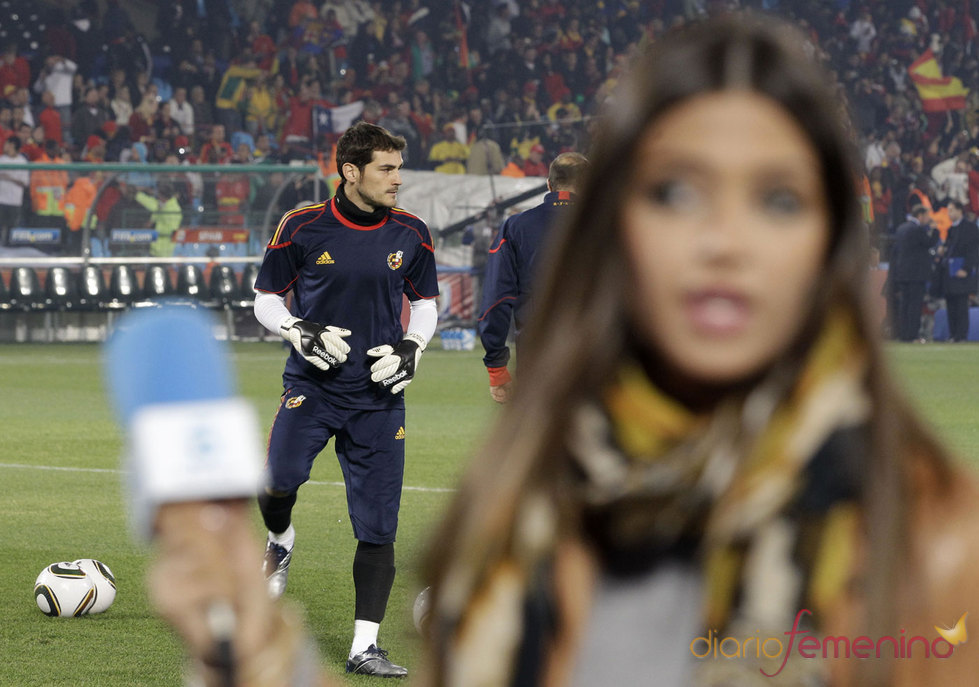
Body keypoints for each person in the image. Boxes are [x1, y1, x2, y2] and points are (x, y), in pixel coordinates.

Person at [421, 15, 979, 687]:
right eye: (676, 191)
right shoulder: (518, 513)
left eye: (777, 198)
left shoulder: (934, 539)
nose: (724, 238)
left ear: (827, 242)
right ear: (616, 228)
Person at [252, 121, 439, 678]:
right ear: (350, 172)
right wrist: (295, 329)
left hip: (380, 399)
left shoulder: (412, 232)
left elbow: (427, 303)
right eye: (386, 168)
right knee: (276, 482)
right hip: (311, 388)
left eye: (398, 168)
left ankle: (365, 646)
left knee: (379, 527)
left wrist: (413, 346)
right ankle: (280, 539)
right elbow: (264, 299)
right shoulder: (302, 225)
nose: (397, 180)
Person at [477, 151, 589, 403]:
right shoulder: (612, 225)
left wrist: (496, 368)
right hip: (597, 359)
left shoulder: (515, 226)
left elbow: (495, 300)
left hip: (537, 358)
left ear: (549, 185)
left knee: (544, 440)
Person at [890, 205, 938, 342]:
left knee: (904, 305)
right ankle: (913, 335)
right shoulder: (917, 229)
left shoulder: (901, 228)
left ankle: (904, 334)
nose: (928, 219)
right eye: (927, 216)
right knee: (915, 305)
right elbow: (929, 243)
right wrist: (935, 231)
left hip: (902, 273)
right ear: (920, 215)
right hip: (916, 274)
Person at [940, 198, 978, 342]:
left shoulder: (970, 227)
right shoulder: (951, 229)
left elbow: (973, 250)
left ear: (959, 210)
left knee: (961, 304)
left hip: (962, 271)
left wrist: (966, 268)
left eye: (951, 210)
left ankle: (961, 335)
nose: (948, 213)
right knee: (951, 303)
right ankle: (953, 334)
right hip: (949, 272)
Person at [0, 135, 28, 246]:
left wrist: (8, 178)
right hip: (1, 200)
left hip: (14, 201)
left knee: (11, 230)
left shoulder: (22, 162)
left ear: (12, 145)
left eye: (6, 144)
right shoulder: (1, 160)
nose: (4, 146)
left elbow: (24, 183)